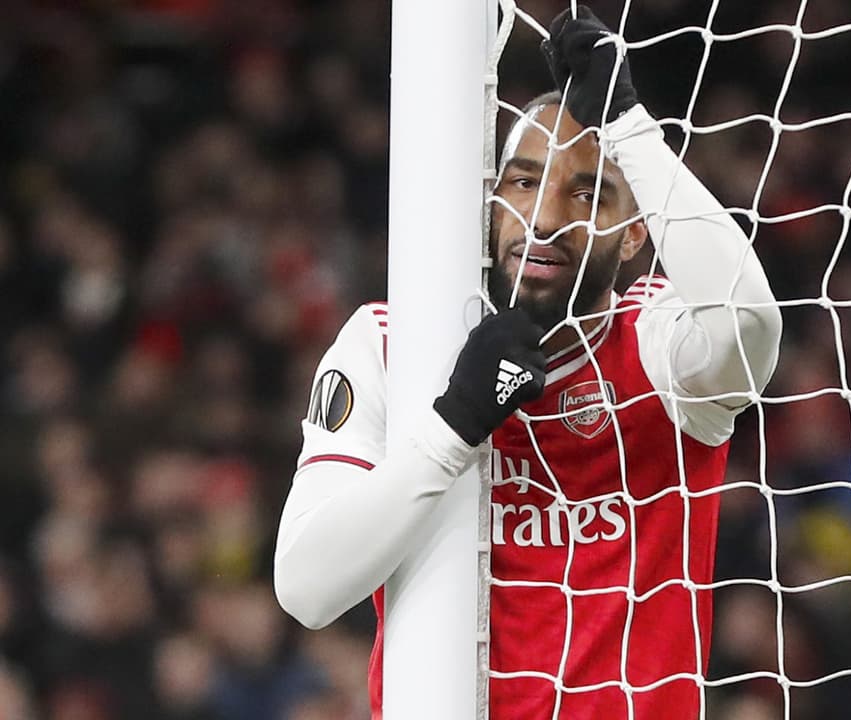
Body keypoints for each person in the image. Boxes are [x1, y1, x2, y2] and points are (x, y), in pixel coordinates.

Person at [273, 6, 782, 718]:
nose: (544, 219)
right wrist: (454, 427)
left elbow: (750, 320)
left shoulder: (660, 345)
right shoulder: (388, 346)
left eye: (588, 193)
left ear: (635, 233)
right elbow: (306, 587)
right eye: (521, 182)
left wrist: (629, 128)